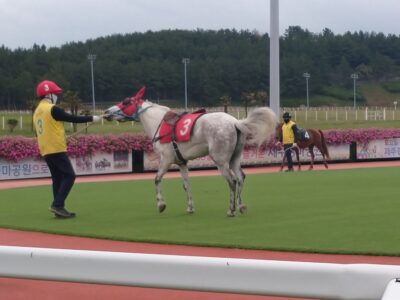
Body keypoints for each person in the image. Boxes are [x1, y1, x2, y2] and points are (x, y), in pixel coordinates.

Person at [33, 80, 102, 218]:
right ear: (49, 95)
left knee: (57, 178)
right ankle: (57, 205)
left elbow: (41, 131)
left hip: (46, 149)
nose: (57, 96)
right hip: (56, 149)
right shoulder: (52, 108)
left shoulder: (37, 112)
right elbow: (71, 118)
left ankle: (59, 209)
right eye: (55, 93)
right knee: (70, 175)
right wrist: (91, 118)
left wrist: (60, 135)